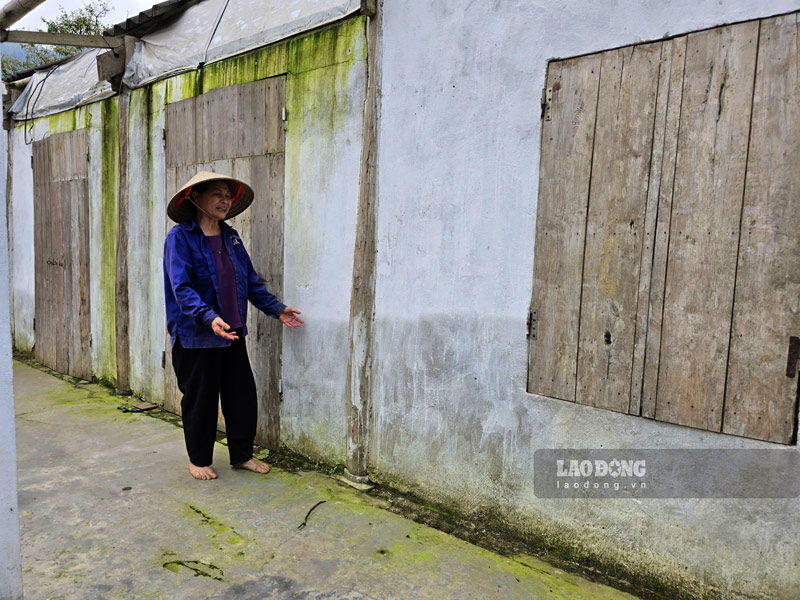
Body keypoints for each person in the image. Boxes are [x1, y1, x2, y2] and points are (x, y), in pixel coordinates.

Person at [163, 171, 303, 481]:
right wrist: (209, 317)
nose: (225, 200)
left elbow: (250, 282)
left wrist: (277, 309)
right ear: (195, 198)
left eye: (228, 194)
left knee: (241, 397)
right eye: (218, 194)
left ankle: (241, 456)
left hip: (233, 333)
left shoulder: (231, 237)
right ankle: (198, 459)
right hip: (198, 336)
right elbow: (181, 287)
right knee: (201, 400)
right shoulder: (180, 238)